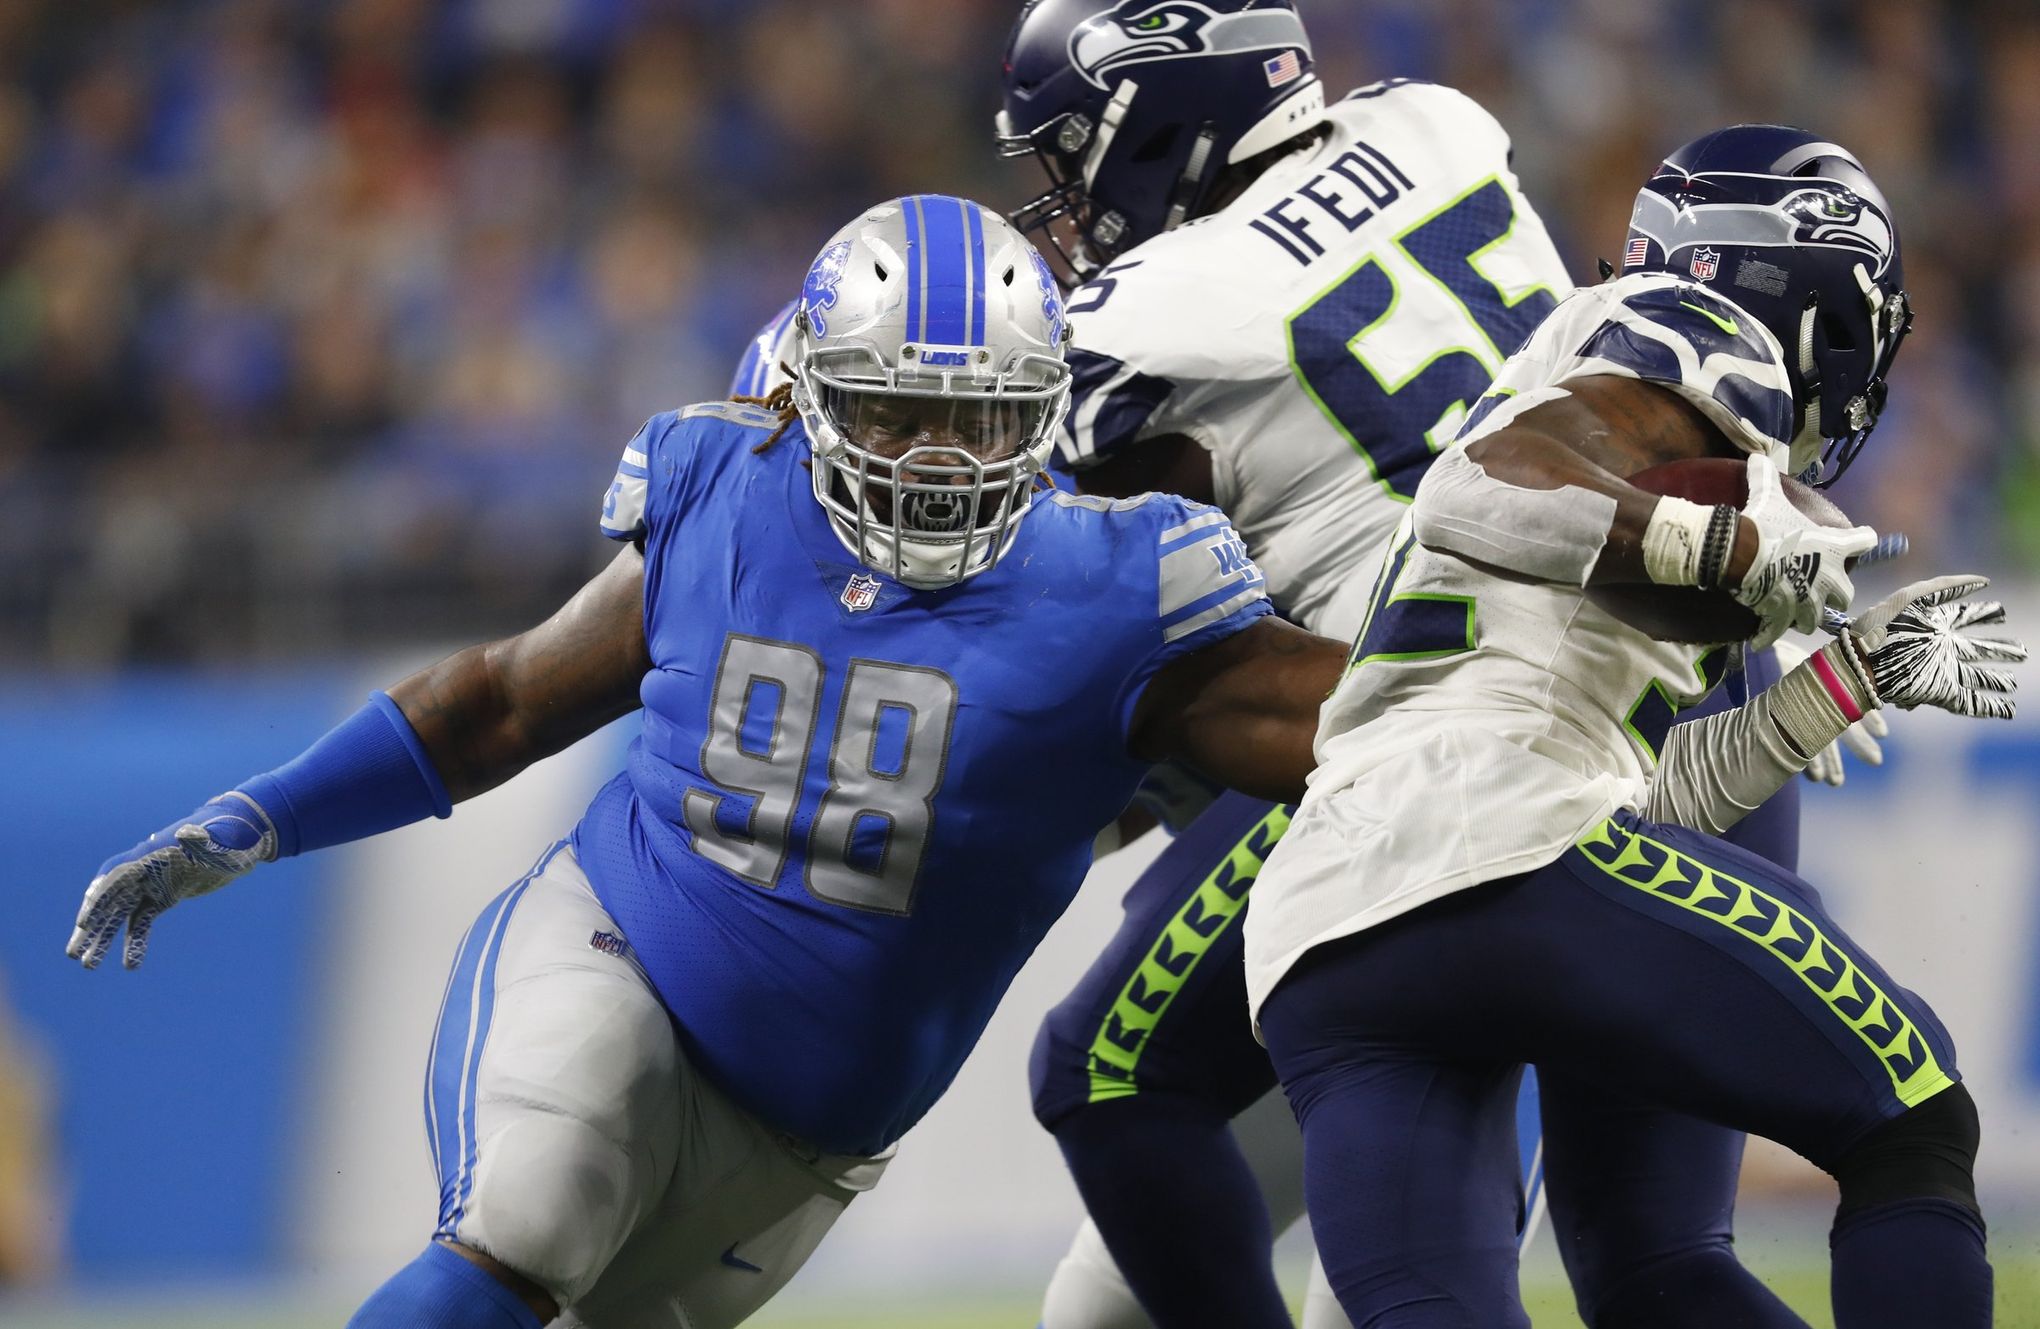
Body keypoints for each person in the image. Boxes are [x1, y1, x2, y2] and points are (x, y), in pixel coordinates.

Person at [65, 196, 1352, 1329]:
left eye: (977, 414)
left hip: (806, 1146)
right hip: (617, 950)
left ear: (1044, 415)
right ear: (810, 392)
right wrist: (259, 817)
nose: (936, 457)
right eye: (897, 410)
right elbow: (500, 703)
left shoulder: (1126, 589)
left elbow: (1369, 731)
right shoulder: (724, 489)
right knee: (529, 1218)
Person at [996, 4, 1876, 1326]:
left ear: (1160, 125)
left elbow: (1110, 607)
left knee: (1107, 1071)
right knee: (1655, 1258)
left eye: (1073, 156)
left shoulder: (1141, 320)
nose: (1062, 200)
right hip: (1694, 677)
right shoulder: (1438, 124)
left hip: (1460, 739)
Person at [1245, 125, 2021, 1329]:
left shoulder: (1611, 399)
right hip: (1500, 848)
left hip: (1332, 933)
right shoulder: (1697, 335)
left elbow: (1626, 793)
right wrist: (1719, 542)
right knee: (1910, 1111)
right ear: (1797, 283)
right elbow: (1479, 491)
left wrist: (1844, 681)